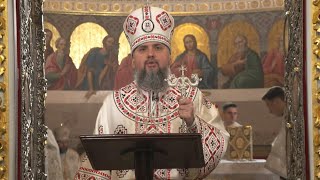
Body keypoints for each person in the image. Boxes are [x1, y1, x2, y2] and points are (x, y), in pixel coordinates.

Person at [75, 5, 229, 179]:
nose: (150, 54)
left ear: (169, 56)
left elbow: (220, 143)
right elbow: (97, 163)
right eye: (142, 49)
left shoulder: (192, 97)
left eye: (158, 47)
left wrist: (194, 123)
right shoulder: (112, 104)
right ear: (132, 61)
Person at [262, 86, 287, 179]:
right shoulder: (287, 116)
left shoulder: (291, 117)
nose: (269, 111)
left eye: (269, 105)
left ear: (276, 101)